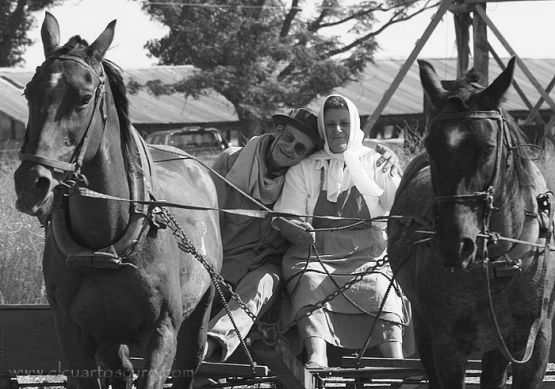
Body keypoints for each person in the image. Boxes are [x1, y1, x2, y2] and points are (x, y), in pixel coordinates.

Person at [203, 106, 401, 364]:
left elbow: (348, 152)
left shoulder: (299, 173)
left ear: (308, 155)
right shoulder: (231, 160)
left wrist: (385, 151)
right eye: (288, 139)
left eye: (300, 149)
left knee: (266, 283)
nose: (290, 149)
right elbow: (204, 213)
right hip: (219, 253)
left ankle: (211, 346)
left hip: (264, 261)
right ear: (278, 131)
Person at [273, 94, 406, 369]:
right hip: (315, 252)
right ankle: (316, 355)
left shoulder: (375, 161)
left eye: (343, 123)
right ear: (323, 126)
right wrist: (298, 229)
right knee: (309, 281)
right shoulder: (305, 167)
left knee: (379, 286)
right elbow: (288, 215)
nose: (337, 130)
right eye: (331, 124)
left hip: (367, 252)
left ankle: (397, 361)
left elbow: (399, 204)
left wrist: (395, 170)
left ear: (354, 123)